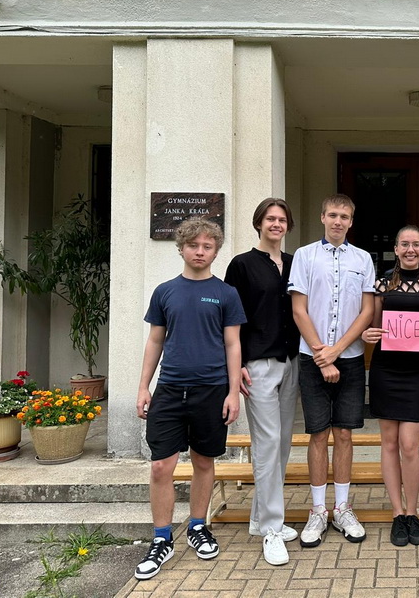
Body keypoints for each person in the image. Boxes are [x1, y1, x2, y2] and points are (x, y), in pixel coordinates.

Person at [134, 217, 245, 581]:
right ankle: (162, 538)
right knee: (160, 466)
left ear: (216, 250)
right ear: (181, 248)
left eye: (207, 246)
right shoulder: (165, 291)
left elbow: (233, 344)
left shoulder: (226, 293)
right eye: (193, 245)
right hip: (169, 389)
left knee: (203, 461)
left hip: (211, 390)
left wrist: (233, 392)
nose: (200, 251)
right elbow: (155, 340)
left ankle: (198, 526)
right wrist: (143, 387)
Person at [288, 194, 375, 547]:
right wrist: (322, 354)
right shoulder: (305, 256)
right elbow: (299, 309)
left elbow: (367, 311)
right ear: (323, 217)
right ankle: (318, 510)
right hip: (311, 357)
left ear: (351, 221)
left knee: (344, 434)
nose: (338, 221)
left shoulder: (363, 259)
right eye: (333, 215)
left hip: (350, 358)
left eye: (345, 216)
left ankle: (342, 507)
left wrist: (336, 352)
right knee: (318, 434)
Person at [223, 197, 300, 566]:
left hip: (291, 361)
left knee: (281, 444)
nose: (276, 224)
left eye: (282, 219)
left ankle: (259, 518)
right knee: (267, 443)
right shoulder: (242, 265)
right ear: (259, 223)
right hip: (257, 365)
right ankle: (272, 529)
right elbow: (231, 320)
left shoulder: (294, 263)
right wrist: (235, 366)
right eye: (270, 218)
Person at [361, 226, 419, 547]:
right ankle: (397, 513)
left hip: (416, 374)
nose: (410, 249)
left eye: (416, 244)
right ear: (396, 249)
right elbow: (372, 326)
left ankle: (413, 512)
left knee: (410, 446)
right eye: (404, 244)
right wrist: (367, 335)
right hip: (385, 371)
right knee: (388, 444)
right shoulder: (381, 285)